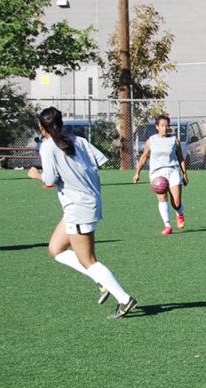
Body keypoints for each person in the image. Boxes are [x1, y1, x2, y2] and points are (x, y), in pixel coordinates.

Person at [28, 107, 137, 319]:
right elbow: (99, 161)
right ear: (62, 124)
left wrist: (35, 175)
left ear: (41, 128)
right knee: (55, 249)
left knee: (89, 260)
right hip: (85, 203)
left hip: (79, 207)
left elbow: (49, 179)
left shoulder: (48, 146)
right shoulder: (79, 140)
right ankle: (100, 280)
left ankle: (124, 299)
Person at [133, 115, 188, 235]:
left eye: (167, 125)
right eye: (162, 125)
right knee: (162, 199)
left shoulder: (174, 140)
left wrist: (185, 174)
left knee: (176, 203)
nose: (165, 128)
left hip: (172, 171)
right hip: (157, 174)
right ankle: (167, 225)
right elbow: (144, 157)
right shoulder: (151, 141)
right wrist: (137, 173)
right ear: (157, 127)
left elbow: (180, 158)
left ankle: (179, 213)